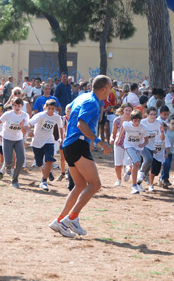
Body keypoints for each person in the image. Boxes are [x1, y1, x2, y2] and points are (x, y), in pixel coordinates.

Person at [49, 75, 113, 238]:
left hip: (70, 144)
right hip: (77, 144)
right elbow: (81, 123)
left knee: (80, 185)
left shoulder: (83, 96)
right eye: (110, 87)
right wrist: (99, 142)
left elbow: (69, 110)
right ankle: (71, 218)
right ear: (103, 89)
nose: (111, 91)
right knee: (95, 184)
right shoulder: (92, 102)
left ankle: (59, 221)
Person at [29, 99, 64, 191]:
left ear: (55, 109)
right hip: (37, 141)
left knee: (49, 160)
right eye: (49, 108)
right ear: (45, 107)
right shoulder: (40, 115)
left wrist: (61, 138)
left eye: (53, 109)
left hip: (49, 140)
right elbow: (30, 123)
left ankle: (44, 181)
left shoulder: (57, 117)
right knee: (39, 162)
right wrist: (29, 131)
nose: (51, 111)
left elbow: (60, 127)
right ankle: (47, 172)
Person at [0, 97, 29, 188]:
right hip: (7, 138)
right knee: (8, 161)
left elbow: (24, 131)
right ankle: (6, 167)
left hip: (18, 139)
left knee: (21, 159)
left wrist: (21, 126)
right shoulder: (8, 114)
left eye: (19, 105)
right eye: (15, 105)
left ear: (22, 106)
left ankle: (15, 180)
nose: (17, 107)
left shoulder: (25, 115)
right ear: (12, 105)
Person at [123, 110, 149, 194]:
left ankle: (129, 171)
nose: (137, 122)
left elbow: (146, 140)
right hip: (129, 146)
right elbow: (121, 130)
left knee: (134, 164)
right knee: (137, 162)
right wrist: (118, 139)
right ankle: (134, 186)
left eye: (139, 120)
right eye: (135, 120)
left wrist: (143, 144)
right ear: (131, 120)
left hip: (138, 147)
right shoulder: (126, 125)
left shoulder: (143, 128)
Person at [138, 107, 164, 185]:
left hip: (153, 146)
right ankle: (141, 173)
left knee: (149, 162)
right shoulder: (142, 122)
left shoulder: (158, 123)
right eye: (151, 114)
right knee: (148, 159)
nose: (153, 116)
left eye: (154, 114)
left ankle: (140, 181)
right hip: (142, 144)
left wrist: (162, 131)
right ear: (147, 114)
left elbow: (161, 138)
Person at [110, 103, 133, 186]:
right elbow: (113, 133)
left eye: (130, 110)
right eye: (126, 110)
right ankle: (118, 179)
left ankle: (127, 173)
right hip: (118, 143)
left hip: (129, 143)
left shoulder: (133, 120)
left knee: (128, 163)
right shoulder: (117, 120)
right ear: (123, 110)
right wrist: (111, 139)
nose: (128, 112)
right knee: (118, 163)